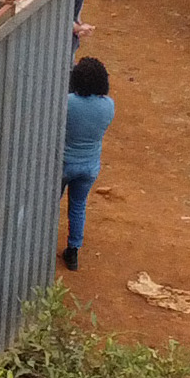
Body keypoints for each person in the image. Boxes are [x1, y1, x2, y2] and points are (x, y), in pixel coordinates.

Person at [60, 57, 114, 270]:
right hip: (90, 166)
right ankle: (73, 251)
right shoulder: (108, 106)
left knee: (50, 205)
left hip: (64, 163)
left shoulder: (68, 102)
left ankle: (41, 245)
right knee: (78, 206)